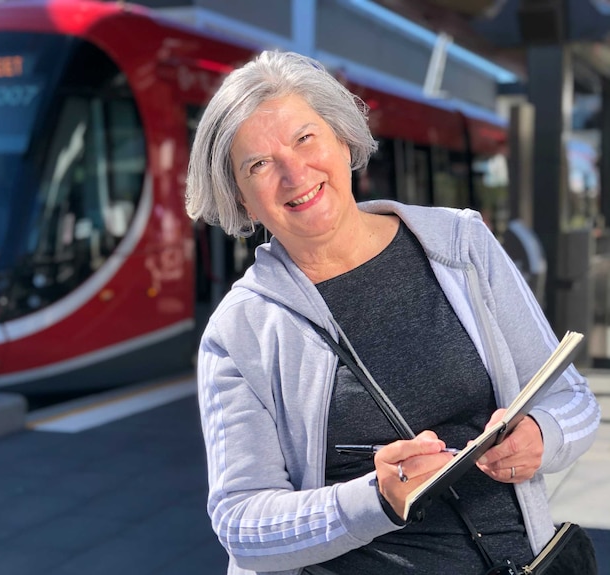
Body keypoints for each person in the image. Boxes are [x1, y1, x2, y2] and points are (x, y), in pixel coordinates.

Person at [185, 50, 601, 575]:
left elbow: (571, 400)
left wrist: (544, 435)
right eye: (259, 164)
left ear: (343, 140)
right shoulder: (240, 331)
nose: (294, 173)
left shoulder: (460, 243)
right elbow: (241, 522)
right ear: (242, 199)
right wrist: (376, 499)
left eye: (304, 138)